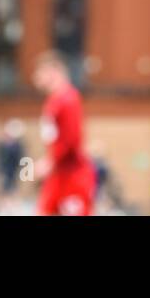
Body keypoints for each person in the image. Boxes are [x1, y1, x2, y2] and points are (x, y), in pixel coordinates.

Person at [32, 50, 95, 216]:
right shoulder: (53, 102)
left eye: (39, 72)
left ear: (54, 71)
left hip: (72, 176)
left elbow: (72, 138)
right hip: (59, 175)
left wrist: (50, 161)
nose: (36, 79)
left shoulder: (68, 99)